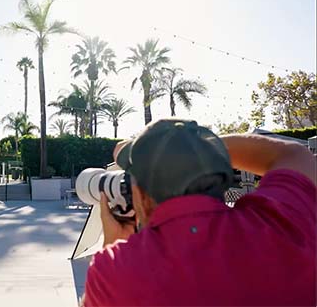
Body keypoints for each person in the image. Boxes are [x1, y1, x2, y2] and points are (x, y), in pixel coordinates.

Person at [83, 118, 316, 306]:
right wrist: (199, 150)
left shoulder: (117, 272)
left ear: (141, 197)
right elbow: (295, 154)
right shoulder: (283, 223)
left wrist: (112, 246)